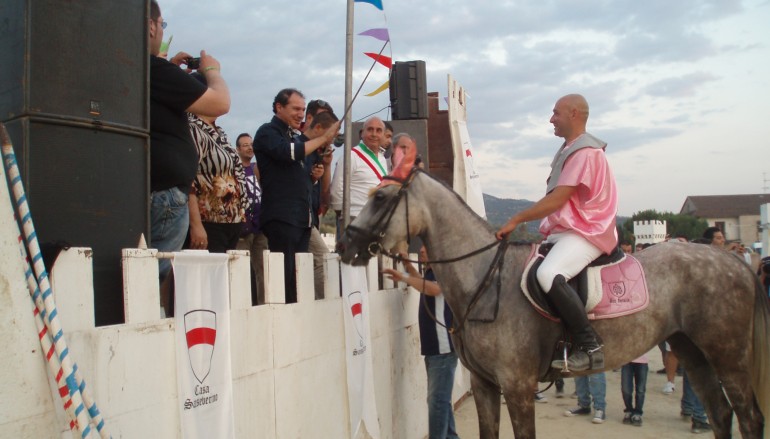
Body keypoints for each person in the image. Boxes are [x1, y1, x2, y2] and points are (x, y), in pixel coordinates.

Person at [496, 94, 618, 371]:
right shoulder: (569, 149)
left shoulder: (585, 152)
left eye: (556, 113)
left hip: (587, 231)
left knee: (548, 274)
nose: (552, 119)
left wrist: (516, 219)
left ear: (574, 114)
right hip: (566, 231)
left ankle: (590, 346)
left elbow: (557, 199)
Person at [149, 0, 230, 313]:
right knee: (152, 277)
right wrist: (212, 72)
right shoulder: (153, 69)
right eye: (162, 25)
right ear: (152, 26)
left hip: (162, 190)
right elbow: (220, 102)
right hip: (167, 194)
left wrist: (169, 66)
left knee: (149, 273)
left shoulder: (146, 70)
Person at [253, 88, 339, 303]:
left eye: (302, 109)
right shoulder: (267, 132)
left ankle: (295, 314)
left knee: (298, 278)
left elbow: (296, 176)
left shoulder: (294, 137)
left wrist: (313, 177)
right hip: (282, 217)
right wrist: (323, 137)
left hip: (301, 220)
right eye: (296, 109)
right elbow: (288, 153)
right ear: (279, 107)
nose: (301, 114)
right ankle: (281, 317)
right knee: (285, 277)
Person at [383, 247, 460, 439]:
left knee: (437, 402)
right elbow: (424, 283)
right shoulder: (432, 272)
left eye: (426, 247)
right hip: (435, 349)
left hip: (443, 349)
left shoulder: (443, 270)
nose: (421, 249)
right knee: (441, 401)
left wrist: (404, 276)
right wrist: (408, 266)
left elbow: (433, 289)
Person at [186, 73, 245, 255]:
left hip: (231, 221)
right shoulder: (193, 128)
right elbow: (187, 178)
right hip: (209, 222)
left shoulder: (219, 132)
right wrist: (196, 224)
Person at [301, 111, 339, 298]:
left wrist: (327, 165)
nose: (331, 141)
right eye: (330, 134)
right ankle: (321, 301)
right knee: (324, 259)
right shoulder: (299, 147)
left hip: (311, 217)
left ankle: (317, 301)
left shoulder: (317, 153)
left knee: (317, 261)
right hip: (298, 218)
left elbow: (325, 195)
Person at [330, 117, 388, 224]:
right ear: (362, 133)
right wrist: (344, 217)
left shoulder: (382, 158)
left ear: (383, 135)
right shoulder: (350, 156)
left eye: (378, 130)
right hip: (355, 218)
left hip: (377, 220)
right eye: (370, 129)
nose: (374, 134)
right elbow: (336, 190)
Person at [234, 133, 269, 305]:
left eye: (251, 144)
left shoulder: (257, 168)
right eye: (245, 145)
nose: (249, 147)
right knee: (240, 268)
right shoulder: (235, 169)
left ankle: (263, 305)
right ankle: (240, 305)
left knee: (263, 268)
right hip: (244, 226)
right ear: (238, 149)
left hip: (260, 225)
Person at [621, 354, 648, 426]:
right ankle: (629, 409)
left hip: (642, 361)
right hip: (626, 361)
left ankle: (638, 412)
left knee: (640, 389)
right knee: (625, 389)